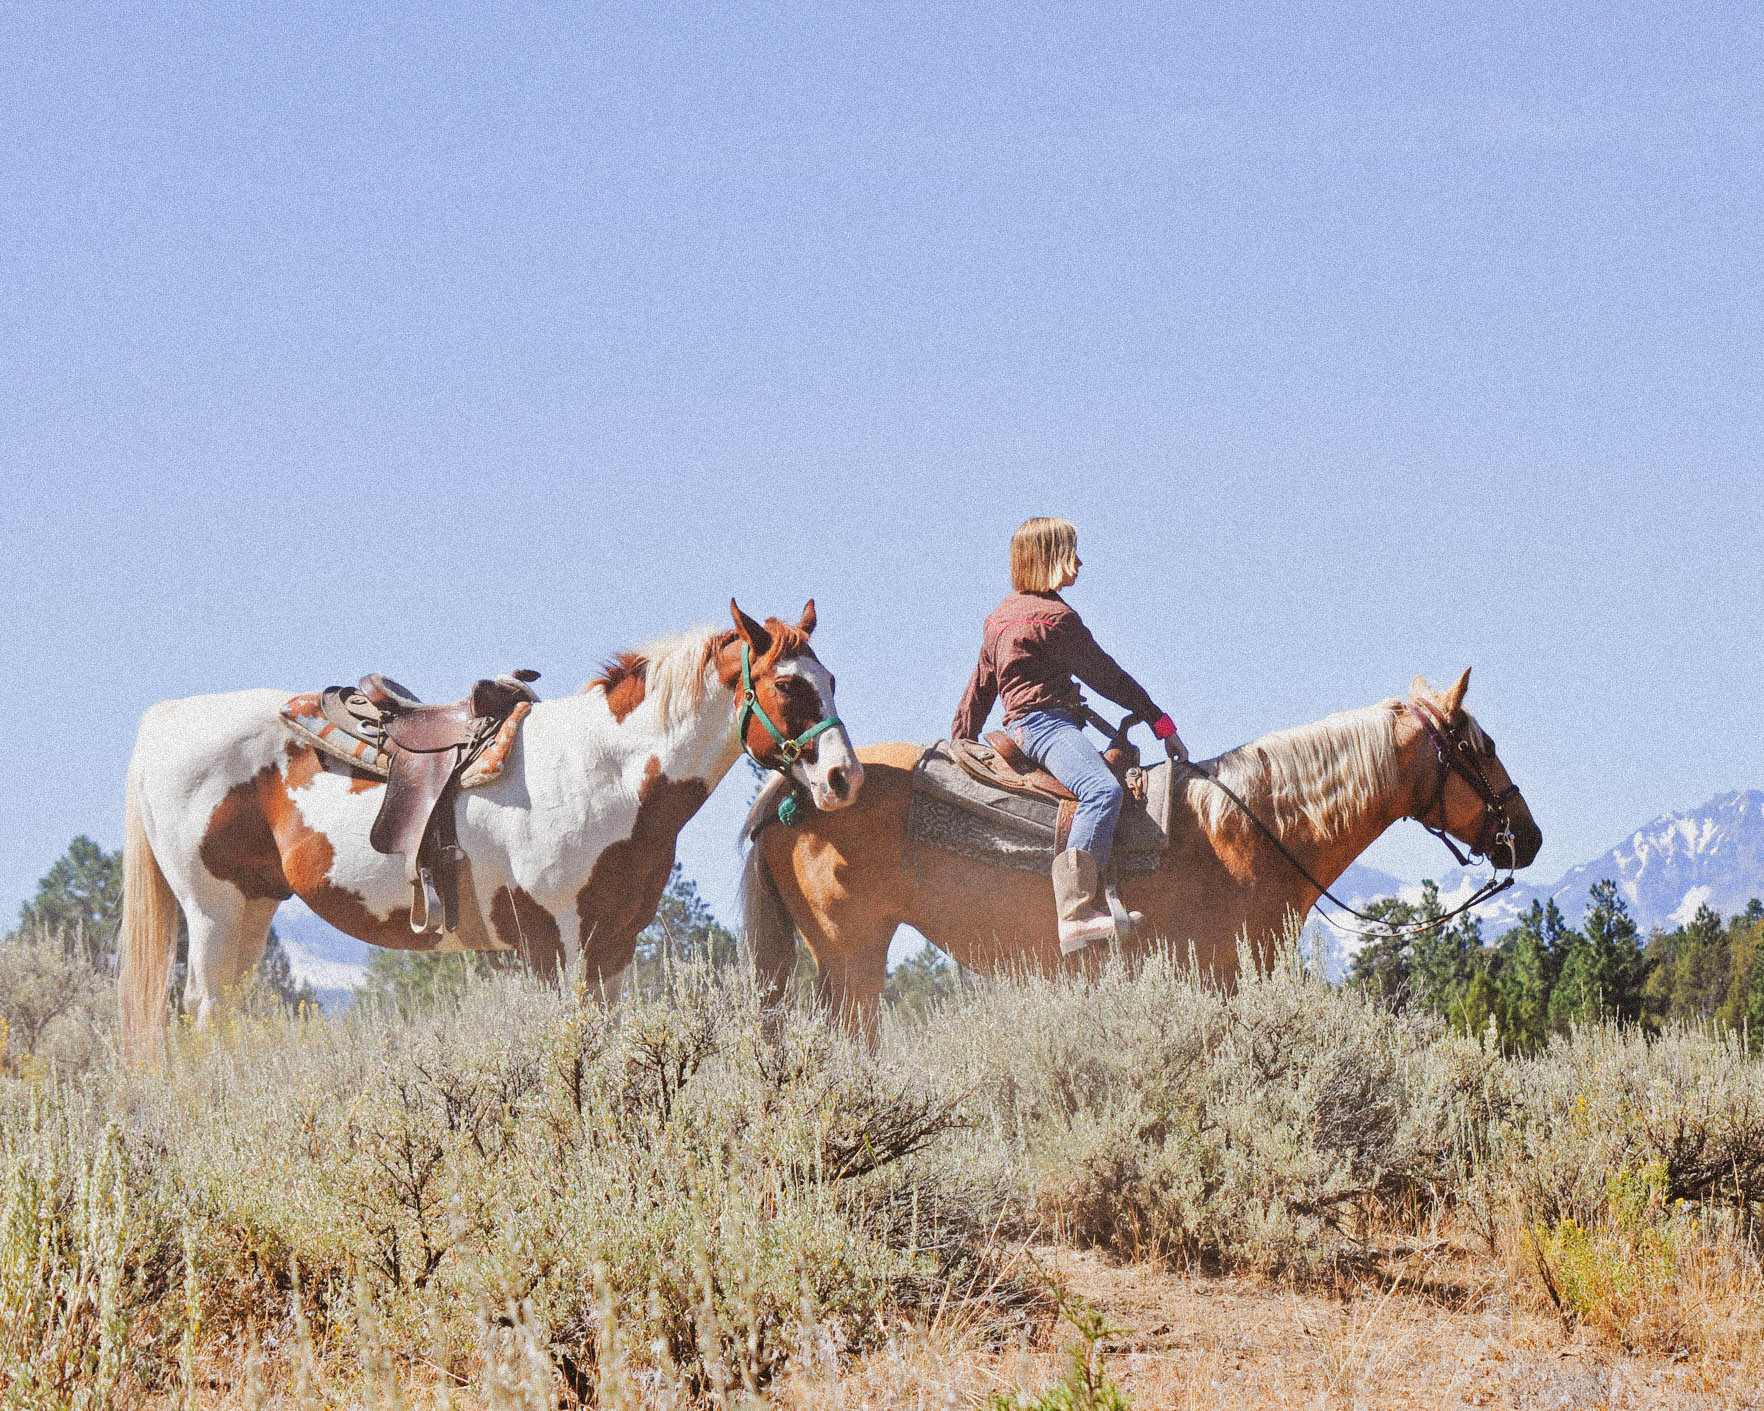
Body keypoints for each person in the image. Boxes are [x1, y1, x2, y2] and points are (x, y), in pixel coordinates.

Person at [952, 516, 1187, 953]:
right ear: (1045, 559)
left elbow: (979, 690)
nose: (1079, 562)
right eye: (1069, 553)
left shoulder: (999, 617)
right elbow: (1108, 678)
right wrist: (1161, 724)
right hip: (1046, 726)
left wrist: (958, 743)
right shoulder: (1055, 618)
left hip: (1024, 726)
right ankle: (1076, 912)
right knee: (1101, 791)